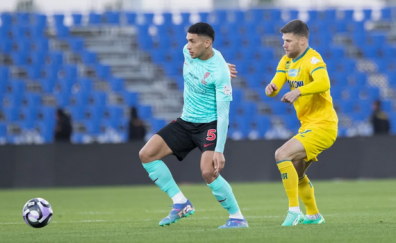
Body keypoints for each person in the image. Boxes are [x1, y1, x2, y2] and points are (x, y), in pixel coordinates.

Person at [139, 22, 248, 229]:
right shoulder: (188, 52)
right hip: (186, 120)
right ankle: (180, 202)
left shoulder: (220, 73)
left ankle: (237, 218)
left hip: (210, 124)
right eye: (187, 40)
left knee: (208, 171)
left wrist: (219, 150)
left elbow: (224, 114)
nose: (188, 46)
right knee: (147, 154)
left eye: (193, 41)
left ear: (207, 43)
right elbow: (204, 64)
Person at [265, 20, 338, 226]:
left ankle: (294, 211)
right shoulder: (286, 62)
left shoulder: (313, 58)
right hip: (308, 126)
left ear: (302, 41)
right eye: (283, 40)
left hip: (323, 125)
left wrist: (298, 90)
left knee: (281, 154)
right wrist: (271, 88)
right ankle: (314, 216)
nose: (284, 45)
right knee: (296, 174)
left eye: (288, 41)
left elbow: (324, 83)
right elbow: (275, 85)